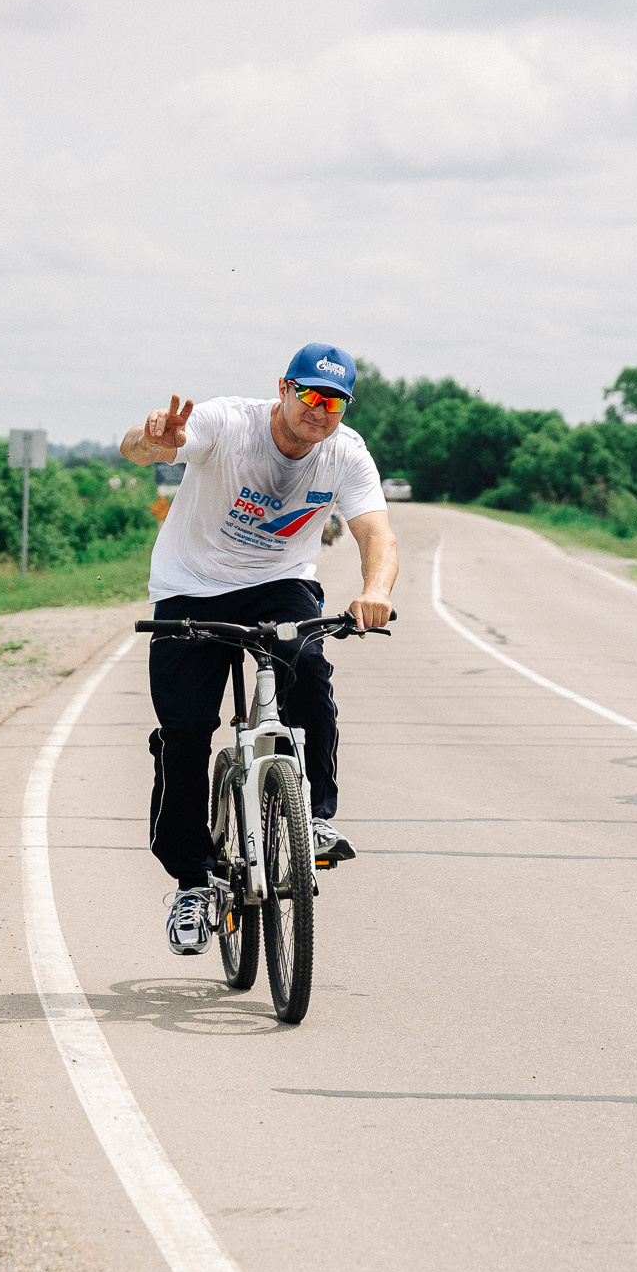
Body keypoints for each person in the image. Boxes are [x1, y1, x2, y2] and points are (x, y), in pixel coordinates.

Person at [119, 342, 399, 957]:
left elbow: (376, 532)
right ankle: (192, 883)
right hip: (191, 585)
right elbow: (146, 452)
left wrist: (374, 591)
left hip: (280, 584)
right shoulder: (228, 422)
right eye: (308, 394)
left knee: (309, 669)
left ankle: (315, 818)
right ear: (283, 387)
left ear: (344, 408)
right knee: (187, 730)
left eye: (333, 401)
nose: (318, 410)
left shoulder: (345, 454)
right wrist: (150, 440)